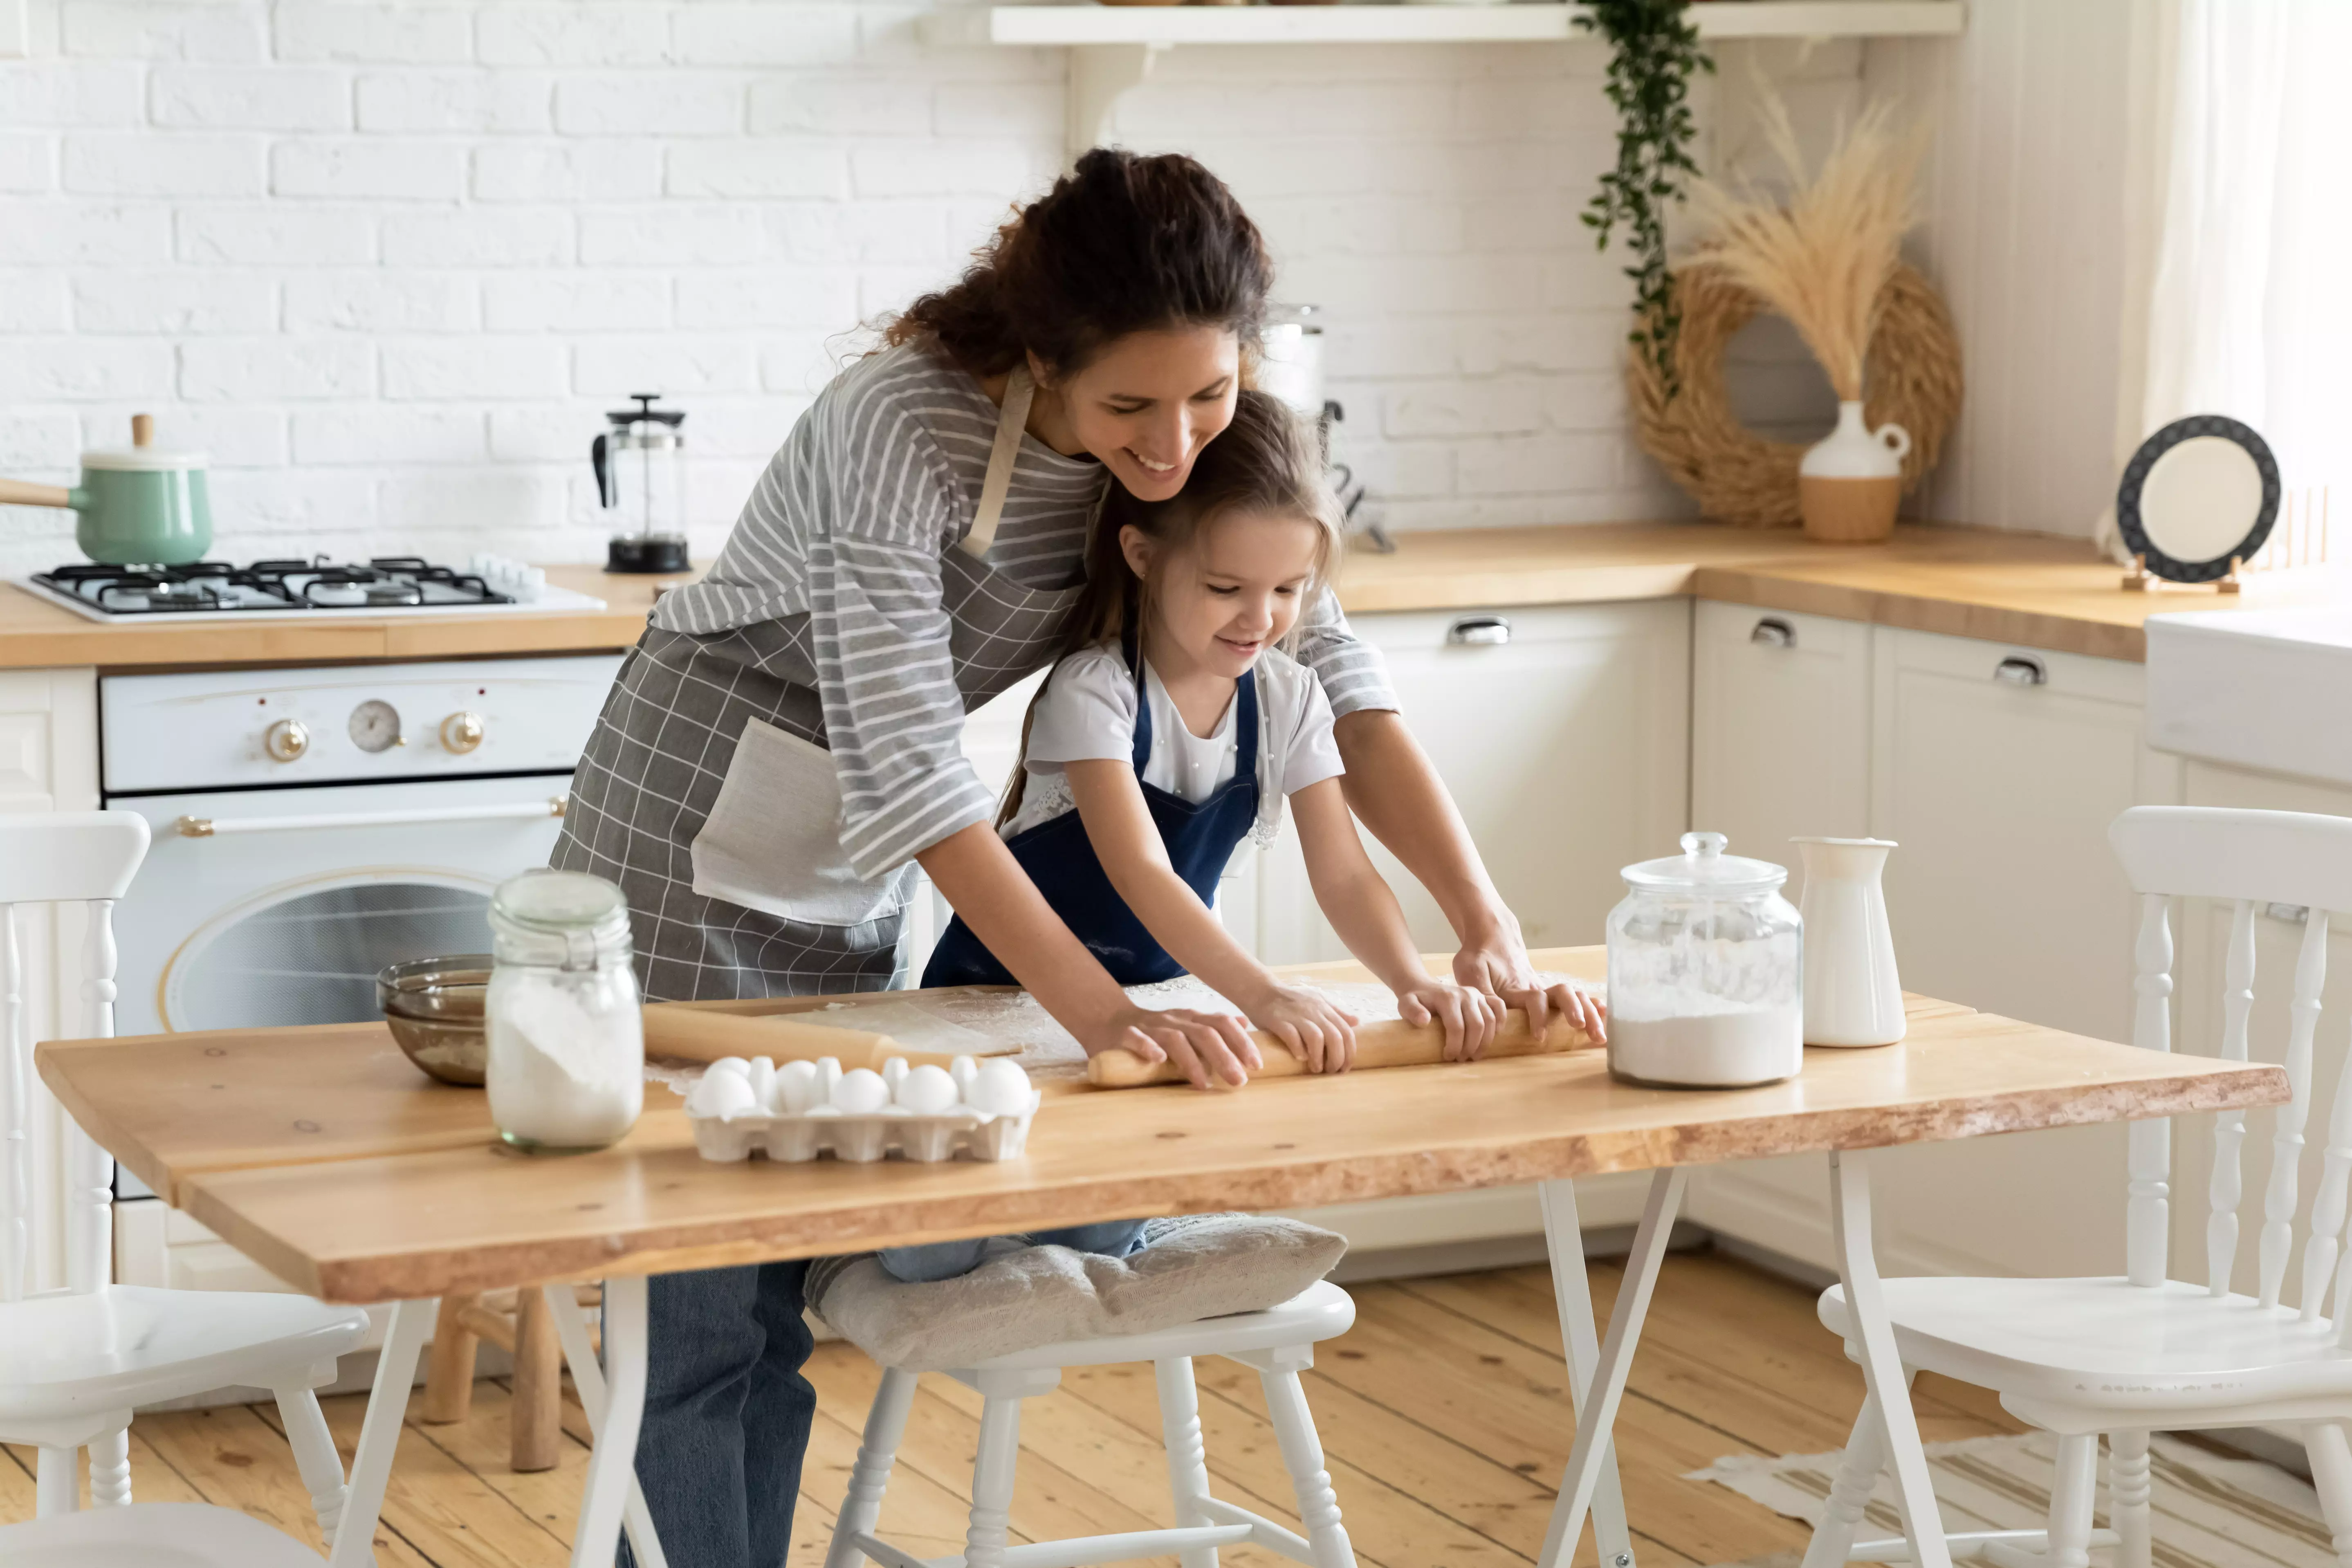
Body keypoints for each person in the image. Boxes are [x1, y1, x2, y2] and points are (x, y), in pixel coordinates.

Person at [552, 147, 1600, 1568]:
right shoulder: (899, 424)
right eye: (1130, 408)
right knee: (693, 1317)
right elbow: (919, 774)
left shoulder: (1204, 420)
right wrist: (1108, 1017)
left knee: (779, 1301)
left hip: (853, 855)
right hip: (690, 820)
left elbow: (1340, 687)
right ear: (1043, 359)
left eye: (1211, 395)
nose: (1175, 444)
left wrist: (1484, 921)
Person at [882, 390, 1517, 1285]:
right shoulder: (1095, 691)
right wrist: (1263, 997)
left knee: (1097, 1246)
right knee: (931, 1259)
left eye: (1288, 592)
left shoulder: (1290, 699)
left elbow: (1342, 873)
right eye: (1226, 588)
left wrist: (1414, 980)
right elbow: (1142, 871)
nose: (1258, 619)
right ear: (1141, 554)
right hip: (1000, 1006)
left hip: (1153, 1016)